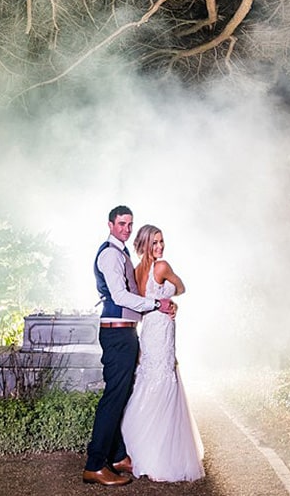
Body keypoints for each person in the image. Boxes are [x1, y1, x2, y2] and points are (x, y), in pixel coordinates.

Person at [82, 206, 174, 487]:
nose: (126, 228)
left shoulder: (120, 252)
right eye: (121, 223)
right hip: (117, 334)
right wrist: (157, 304)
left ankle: (118, 455)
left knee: (121, 395)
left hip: (124, 333)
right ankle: (95, 465)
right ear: (110, 225)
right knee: (113, 397)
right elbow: (121, 296)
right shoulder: (110, 254)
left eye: (129, 224)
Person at [120, 224, 205, 482]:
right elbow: (182, 287)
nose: (160, 247)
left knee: (149, 381)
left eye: (161, 242)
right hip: (161, 332)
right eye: (154, 243)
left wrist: (163, 304)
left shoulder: (136, 271)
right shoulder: (162, 266)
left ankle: (139, 447)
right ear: (145, 245)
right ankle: (162, 455)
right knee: (164, 379)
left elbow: (139, 305)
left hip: (149, 331)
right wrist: (172, 298)